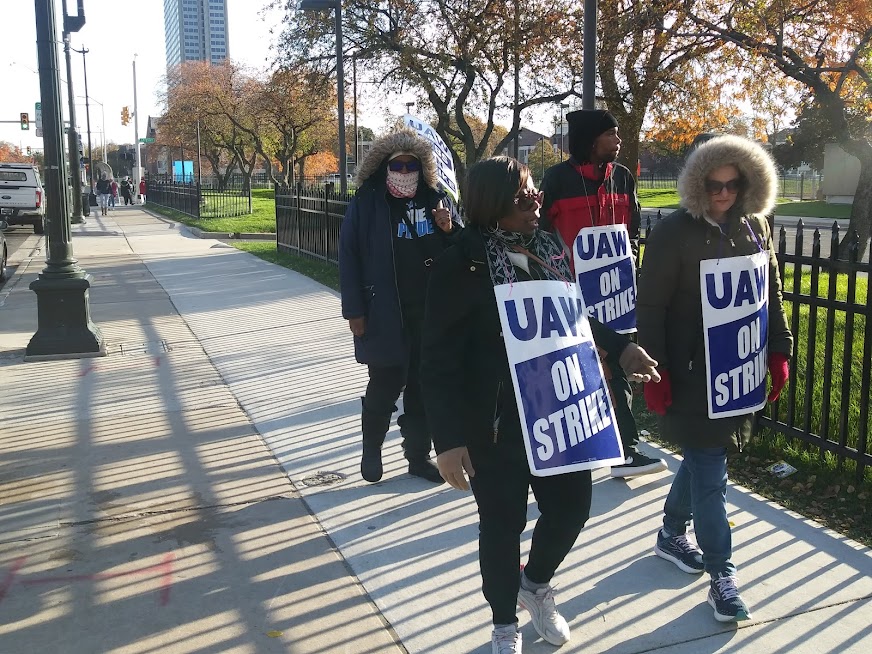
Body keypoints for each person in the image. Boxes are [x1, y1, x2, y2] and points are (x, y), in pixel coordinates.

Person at [421, 157, 661, 653]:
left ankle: (536, 584)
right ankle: (504, 623)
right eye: (522, 195)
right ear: (491, 206)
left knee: (573, 509)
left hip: (559, 412)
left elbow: (573, 318)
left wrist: (619, 346)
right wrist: (447, 441)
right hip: (496, 425)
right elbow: (436, 360)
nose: (536, 200)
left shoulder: (551, 249)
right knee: (503, 527)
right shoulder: (459, 265)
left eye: (533, 190)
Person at [637, 134, 793, 622]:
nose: (723, 192)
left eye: (733, 183)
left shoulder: (756, 228)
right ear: (697, 183)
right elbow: (652, 305)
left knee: (706, 457)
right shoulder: (673, 233)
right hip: (689, 373)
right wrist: (652, 369)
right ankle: (722, 576)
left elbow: (771, 294)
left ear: (747, 182)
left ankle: (669, 533)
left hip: (739, 370)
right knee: (711, 473)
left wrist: (778, 351)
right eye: (713, 183)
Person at [541, 109, 666, 478]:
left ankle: (621, 449)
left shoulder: (623, 178)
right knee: (583, 369)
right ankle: (606, 445)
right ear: (589, 141)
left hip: (617, 290)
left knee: (619, 365)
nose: (618, 140)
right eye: (611, 134)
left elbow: (631, 229)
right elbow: (543, 234)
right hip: (572, 292)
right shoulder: (557, 180)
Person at [339, 127, 458, 484]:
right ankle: (372, 448)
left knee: (423, 386)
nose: (405, 172)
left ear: (422, 166)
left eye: (412, 165)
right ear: (384, 166)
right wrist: (355, 312)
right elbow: (349, 257)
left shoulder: (435, 198)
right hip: (384, 310)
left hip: (430, 311)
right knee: (384, 383)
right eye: (398, 165)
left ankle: (418, 456)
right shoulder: (367, 201)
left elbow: (458, 252)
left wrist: (449, 229)